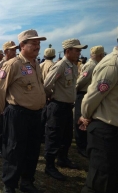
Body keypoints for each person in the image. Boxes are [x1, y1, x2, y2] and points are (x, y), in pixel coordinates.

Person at [0, 29, 46, 193]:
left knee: (32, 150)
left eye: (39, 43)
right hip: (18, 115)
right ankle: (10, 184)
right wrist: (2, 113)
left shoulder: (36, 64)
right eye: (34, 43)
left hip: (36, 115)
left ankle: (27, 181)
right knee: (15, 151)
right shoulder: (13, 64)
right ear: (22, 45)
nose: (37, 46)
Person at [44, 38, 87, 181]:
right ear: (68, 51)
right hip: (57, 106)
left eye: (80, 50)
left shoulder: (73, 66)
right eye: (77, 50)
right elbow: (47, 85)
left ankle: (62, 159)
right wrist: (51, 97)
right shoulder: (61, 65)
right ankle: (49, 166)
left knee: (67, 136)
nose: (79, 53)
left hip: (68, 107)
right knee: (54, 136)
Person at [78, 46, 118, 193]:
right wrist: (85, 115)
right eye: (76, 50)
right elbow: (91, 96)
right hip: (107, 128)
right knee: (101, 180)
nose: (78, 53)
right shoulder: (112, 64)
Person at [74, 46, 104, 158]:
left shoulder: (94, 64)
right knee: (79, 119)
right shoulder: (91, 66)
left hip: (86, 94)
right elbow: (80, 81)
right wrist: (74, 92)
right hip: (83, 94)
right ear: (100, 55)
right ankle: (81, 145)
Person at [0, 41, 18, 158]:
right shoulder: (1, 65)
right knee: (0, 123)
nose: (15, 51)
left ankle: (6, 144)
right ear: (6, 51)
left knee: (9, 124)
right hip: (2, 99)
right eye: (12, 50)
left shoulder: (16, 63)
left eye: (15, 49)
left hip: (11, 100)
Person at [39, 47, 56, 143]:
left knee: (41, 115)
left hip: (40, 92)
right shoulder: (53, 66)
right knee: (48, 117)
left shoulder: (40, 65)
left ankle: (39, 133)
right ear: (53, 56)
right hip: (49, 94)